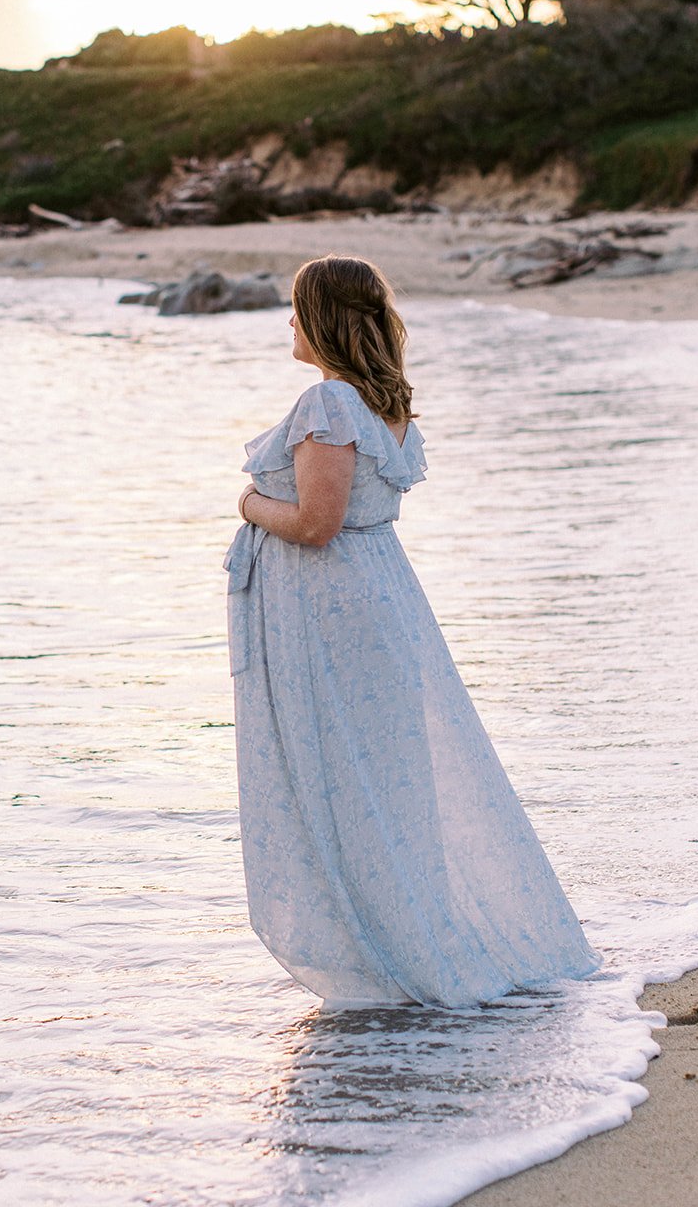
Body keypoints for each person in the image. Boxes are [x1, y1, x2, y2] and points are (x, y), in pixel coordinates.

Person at [224, 254, 600, 1009]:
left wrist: (245, 506)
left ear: (323, 318)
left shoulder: (329, 402)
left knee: (350, 782)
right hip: (370, 606)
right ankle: (397, 940)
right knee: (382, 782)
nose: (288, 323)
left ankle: (392, 957)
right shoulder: (379, 402)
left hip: (332, 622)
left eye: (297, 309)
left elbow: (315, 523)